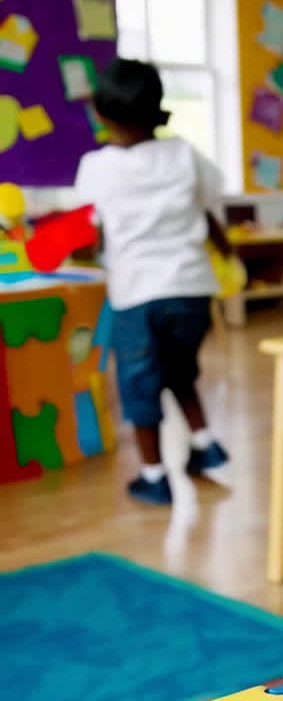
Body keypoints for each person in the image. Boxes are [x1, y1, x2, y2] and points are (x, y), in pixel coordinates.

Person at [75, 58, 231, 505]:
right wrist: (226, 253)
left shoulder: (96, 167)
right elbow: (209, 206)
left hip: (138, 296)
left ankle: (154, 475)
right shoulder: (184, 154)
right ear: (158, 108)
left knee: (140, 385)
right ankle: (206, 447)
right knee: (180, 373)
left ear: (101, 117)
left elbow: (92, 230)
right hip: (192, 292)